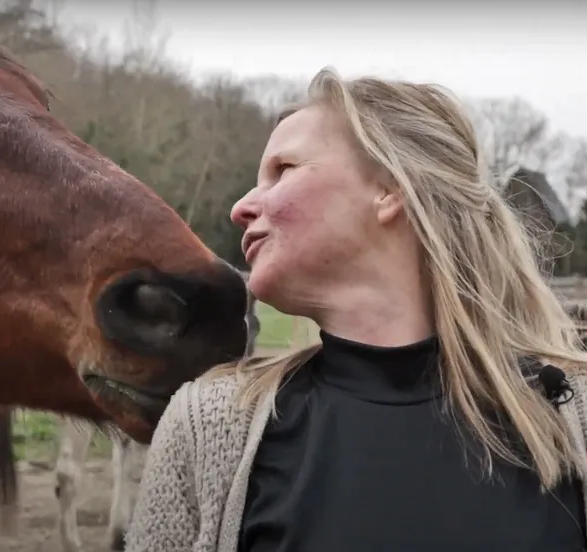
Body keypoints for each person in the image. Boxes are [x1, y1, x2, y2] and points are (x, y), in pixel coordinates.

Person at [124, 66, 587, 552]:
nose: (240, 207)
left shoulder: (573, 412)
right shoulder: (209, 428)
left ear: (389, 189)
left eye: (283, 170)